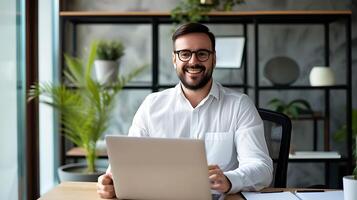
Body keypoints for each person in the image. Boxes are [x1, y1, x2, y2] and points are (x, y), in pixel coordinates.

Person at [97, 23, 273, 199]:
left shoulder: (239, 105)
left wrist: (228, 179)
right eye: (185, 54)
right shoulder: (152, 105)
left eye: (202, 54)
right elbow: (127, 162)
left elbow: (261, 167)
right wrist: (110, 182)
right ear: (175, 60)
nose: (193, 61)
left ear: (214, 59)